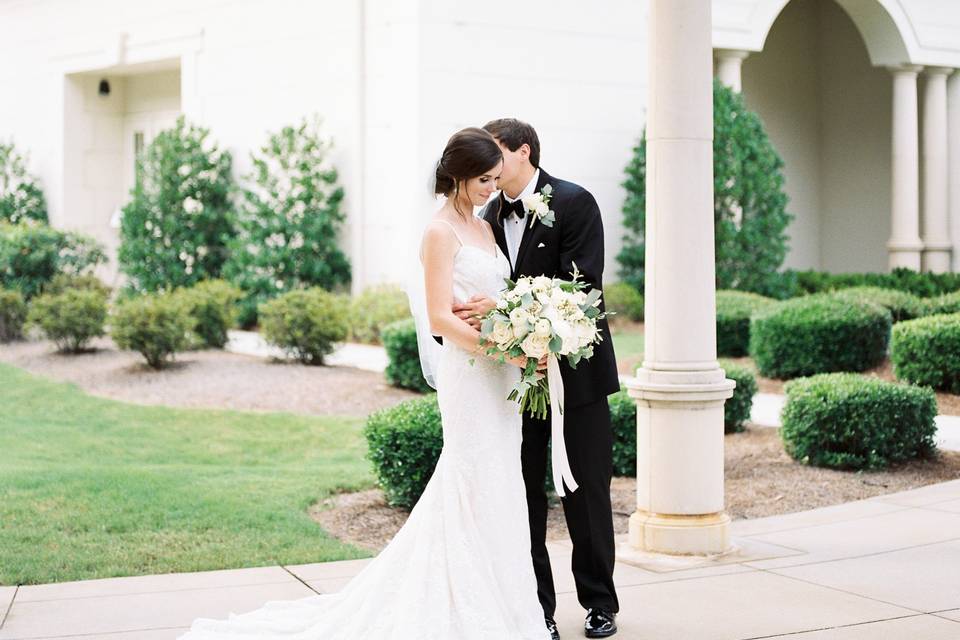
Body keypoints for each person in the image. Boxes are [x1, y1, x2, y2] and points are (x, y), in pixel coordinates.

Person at [177, 127, 551, 639]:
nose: (492, 186)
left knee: (503, 486)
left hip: (499, 381)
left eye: (494, 178)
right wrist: (503, 349)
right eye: (484, 179)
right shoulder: (440, 232)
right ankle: (460, 610)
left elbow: (495, 299)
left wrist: (518, 334)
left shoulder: (485, 229)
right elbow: (441, 319)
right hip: (471, 378)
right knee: (469, 484)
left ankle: (503, 606)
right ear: (458, 177)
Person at [454, 118, 621, 639]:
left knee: (586, 490)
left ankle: (599, 604)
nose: (488, 168)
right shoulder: (483, 217)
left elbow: (581, 292)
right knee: (521, 493)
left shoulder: (575, 202)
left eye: (495, 156)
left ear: (522, 152)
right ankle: (536, 608)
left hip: (577, 378)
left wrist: (501, 307)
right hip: (514, 380)